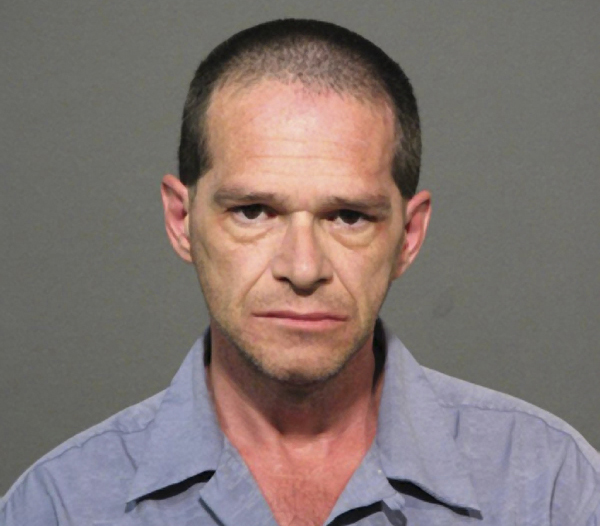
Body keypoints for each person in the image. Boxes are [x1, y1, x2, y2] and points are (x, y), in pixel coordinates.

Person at [2, 18, 599, 526]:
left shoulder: (554, 488)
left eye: (348, 216)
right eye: (253, 211)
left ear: (409, 235)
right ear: (182, 220)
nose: (303, 268)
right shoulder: (57, 506)